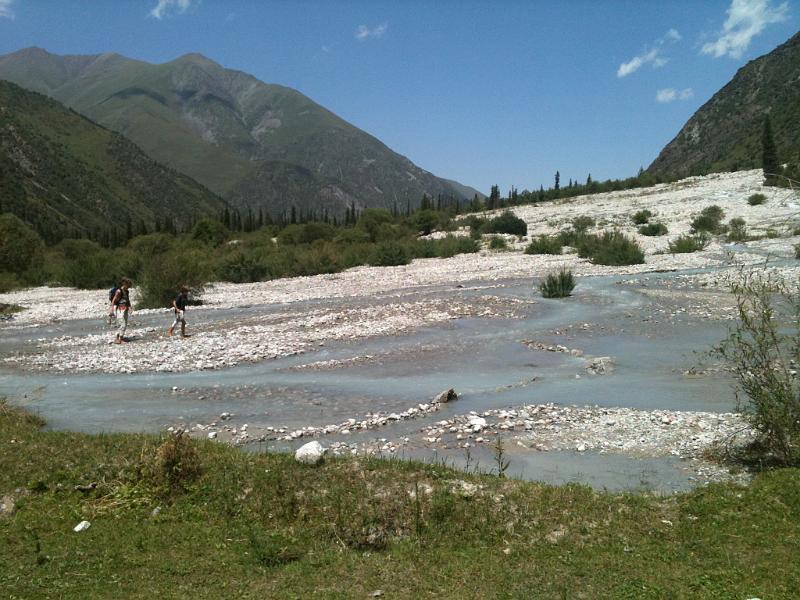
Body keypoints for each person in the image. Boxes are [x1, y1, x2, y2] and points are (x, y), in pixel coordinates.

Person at [111, 278, 132, 344]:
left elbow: (127, 300)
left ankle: (118, 338)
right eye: (128, 286)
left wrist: (129, 307)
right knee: (122, 323)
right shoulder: (119, 291)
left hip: (125, 308)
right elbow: (114, 300)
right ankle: (120, 339)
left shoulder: (127, 291)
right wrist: (111, 309)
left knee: (124, 323)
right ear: (125, 284)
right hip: (118, 308)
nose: (129, 287)